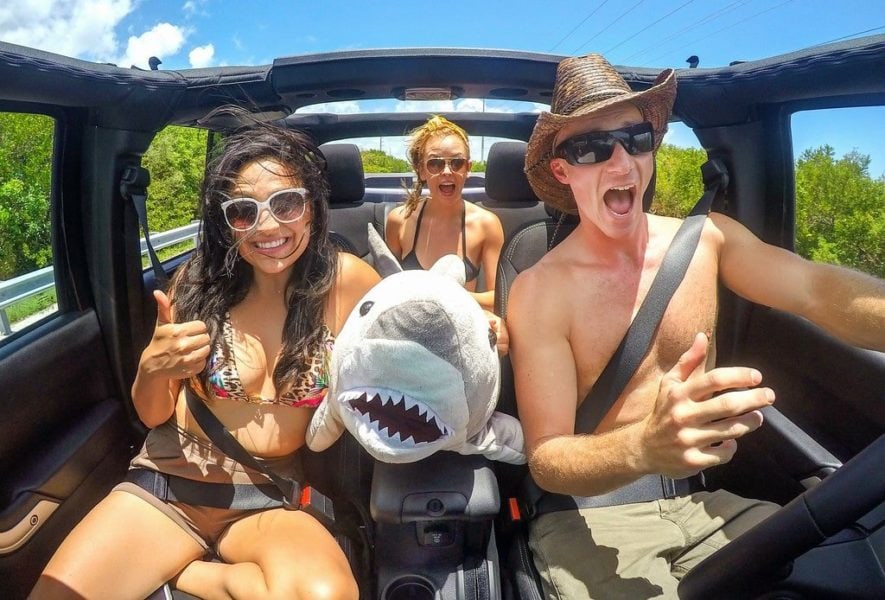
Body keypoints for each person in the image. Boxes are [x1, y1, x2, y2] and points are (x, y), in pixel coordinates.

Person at [507, 53, 885, 599]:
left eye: (635, 138)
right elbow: (547, 459)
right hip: (590, 518)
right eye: (590, 148)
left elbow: (816, 288)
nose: (621, 163)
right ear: (563, 170)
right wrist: (643, 447)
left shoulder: (708, 239)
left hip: (709, 503)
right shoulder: (539, 290)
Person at [31, 116, 380, 599]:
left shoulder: (347, 281)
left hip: (270, 495)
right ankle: (208, 574)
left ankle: (190, 574)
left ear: (313, 208)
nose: (268, 226)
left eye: (286, 203)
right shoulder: (197, 285)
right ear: (226, 222)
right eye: (244, 211)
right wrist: (151, 368)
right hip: (171, 481)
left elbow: (415, 317)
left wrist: (483, 320)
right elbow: (153, 412)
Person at [385, 115, 505, 314]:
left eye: (457, 162)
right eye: (435, 164)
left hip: (461, 331)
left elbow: (499, 298)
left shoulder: (487, 224)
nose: (447, 171)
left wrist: (442, 294)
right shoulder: (399, 220)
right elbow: (385, 288)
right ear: (421, 171)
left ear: (468, 168)